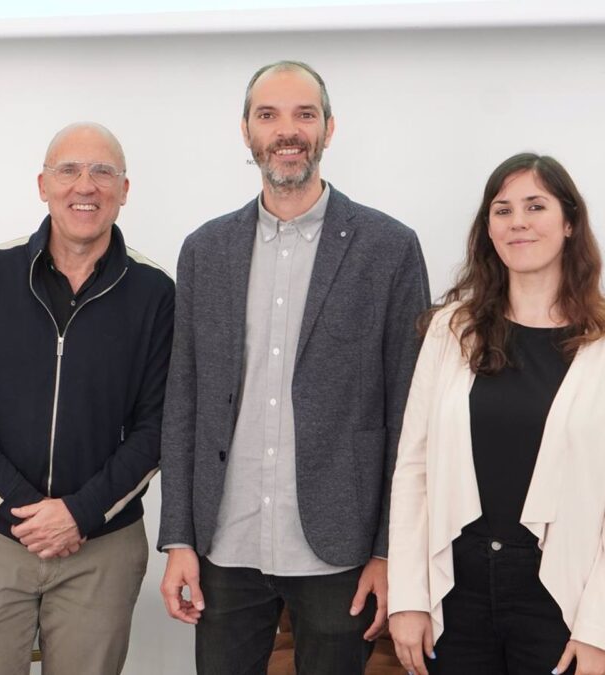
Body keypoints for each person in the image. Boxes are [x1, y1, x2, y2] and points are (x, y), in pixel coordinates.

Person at [157, 60, 430, 675]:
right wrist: (178, 538)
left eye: (305, 114)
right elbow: (183, 402)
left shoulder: (389, 248)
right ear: (247, 131)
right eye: (269, 115)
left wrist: (390, 552)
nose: (288, 130)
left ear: (329, 128)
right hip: (225, 543)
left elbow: (410, 413)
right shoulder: (205, 251)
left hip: (341, 549)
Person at [387, 153, 605, 675]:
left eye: (535, 206)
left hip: (560, 597)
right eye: (503, 210)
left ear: (569, 222)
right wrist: (409, 598)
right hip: (455, 590)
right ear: (488, 228)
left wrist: (603, 629)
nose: (518, 222)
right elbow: (413, 470)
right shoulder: (451, 330)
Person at [0, 122, 174, 675]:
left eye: (102, 172)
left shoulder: (156, 292)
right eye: (68, 170)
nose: (84, 186)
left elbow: (160, 425)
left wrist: (79, 514)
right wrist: (25, 511)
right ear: (43, 185)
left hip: (102, 546)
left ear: (123, 190)